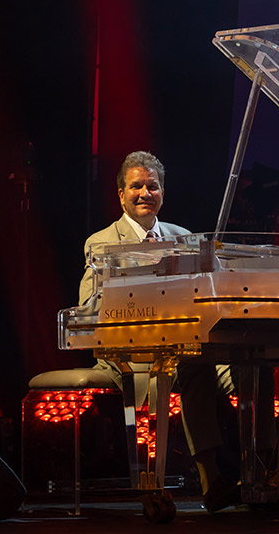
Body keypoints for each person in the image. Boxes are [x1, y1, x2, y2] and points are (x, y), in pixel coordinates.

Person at [78, 151, 239, 513]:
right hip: (130, 355)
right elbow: (90, 304)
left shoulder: (184, 237)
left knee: (252, 368)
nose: (144, 193)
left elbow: (207, 292)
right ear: (121, 194)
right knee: (196, 367)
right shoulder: (101, 242)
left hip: (184, 348)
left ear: (163, 193)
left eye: (152, 186)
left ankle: (267, 473)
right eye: (136, 186)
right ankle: (212, 478)